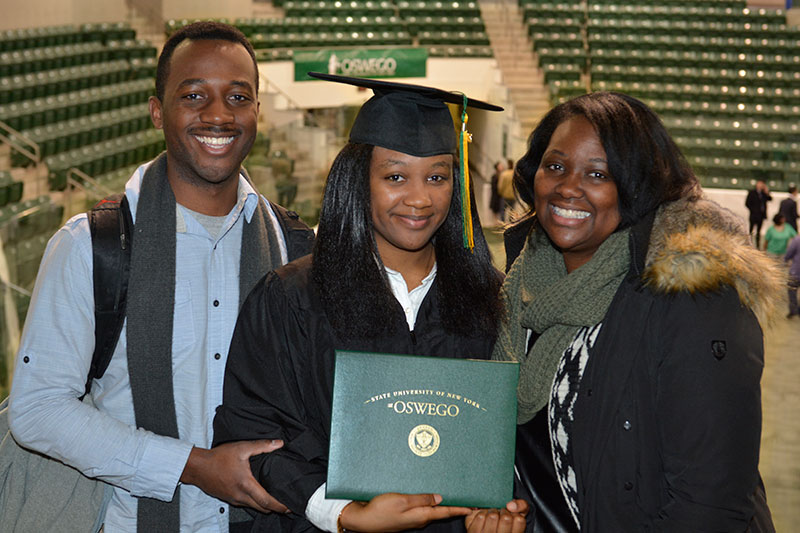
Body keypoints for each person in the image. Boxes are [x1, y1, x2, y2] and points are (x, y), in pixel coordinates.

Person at [7, 21, 314, 531]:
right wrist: (194, 467)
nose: (218, 114)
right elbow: (38, 409)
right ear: (157, 111)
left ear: (257, 111)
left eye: (238, 96)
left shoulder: (292, 245)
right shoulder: (92, 246)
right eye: (194, 95)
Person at [213, 73, 526, 533]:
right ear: (358, 181)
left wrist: (499, 515)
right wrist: (343, 514)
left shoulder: (492, 300)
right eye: (395, 176)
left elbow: (515, 442)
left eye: (438, 177)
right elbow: (257, 434)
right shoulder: (293, 298)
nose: (419, 198)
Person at [495, 92, 780, 532]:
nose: (568, 186)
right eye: (555, 166)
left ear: (637, 185)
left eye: (598, 173)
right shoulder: (521, 284)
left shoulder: (691, 296)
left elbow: (709, 503)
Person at [745, 179, 772, 248]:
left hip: (761, 216)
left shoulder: (763, 193)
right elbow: (747, 203)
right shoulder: (752, 192)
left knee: (759, 231)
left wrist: (767, 192)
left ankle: (757, 246)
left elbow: (770, 199)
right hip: (753, 215)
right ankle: (748, 244)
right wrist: (753, 210)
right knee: (751, 230)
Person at [785, 234, 800, 318]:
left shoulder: (797, 240)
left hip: (796, 272)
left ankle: (793, 310)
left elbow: (789, 254)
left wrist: (785, 261)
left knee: (792, 292)